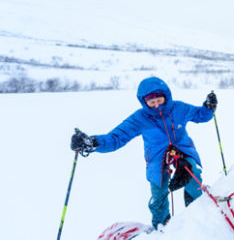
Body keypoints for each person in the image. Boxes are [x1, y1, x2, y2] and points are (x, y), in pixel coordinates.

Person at [70, 76, 218, 230]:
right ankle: (162, 226)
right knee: (158, 193)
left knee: (192, 173)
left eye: (159, 100)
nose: (156, 106)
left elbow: (200, 115)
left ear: (166, 97)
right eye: (151, 102)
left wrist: (209, 107)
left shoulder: (179, 108)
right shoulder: (140, 118)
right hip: (156, 160)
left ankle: (198, 213)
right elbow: (116, 138)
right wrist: (93, 143)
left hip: (183, 151)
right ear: (144, 102)